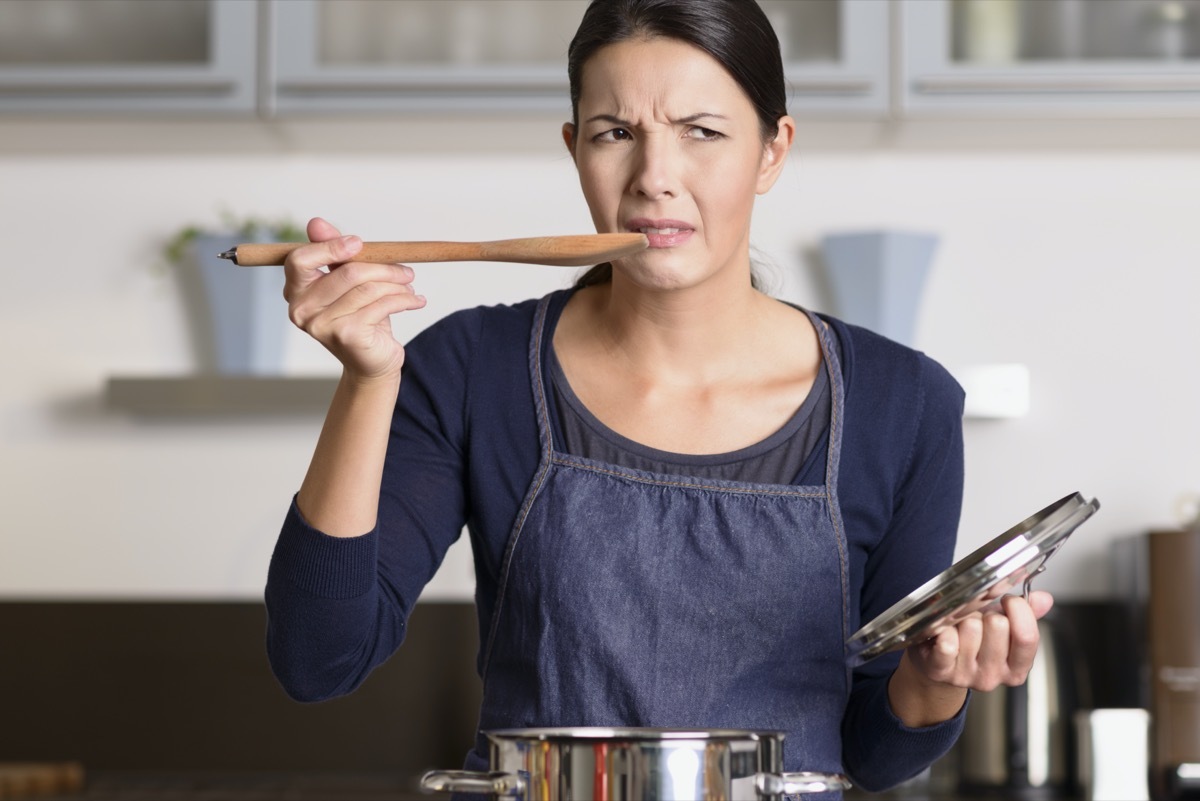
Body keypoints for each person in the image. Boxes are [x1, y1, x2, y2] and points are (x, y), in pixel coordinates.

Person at [264, 0, 1053, 794]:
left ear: (772, 151)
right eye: (615, 132)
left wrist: (939, 678)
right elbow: (315, 659)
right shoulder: (473, 369)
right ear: (575, 151)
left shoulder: (904, 403)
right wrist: (367, 379)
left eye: (701, 132)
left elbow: (875, 753)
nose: (654, 178)